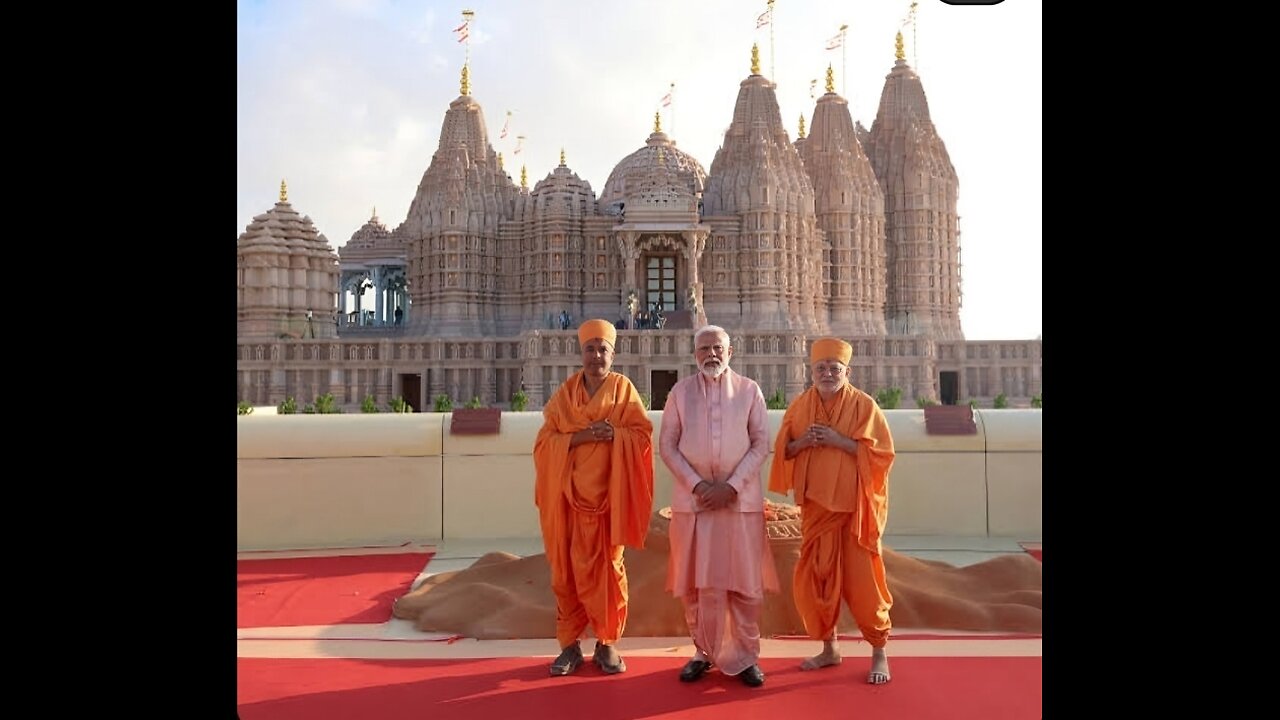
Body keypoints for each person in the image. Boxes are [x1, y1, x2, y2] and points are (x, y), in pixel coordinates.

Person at [767, 337, 897, 684]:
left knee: (864, 582)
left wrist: (839, 441)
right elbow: (784, 450)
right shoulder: (800, 406)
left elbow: (882, 455)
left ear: (847, 371)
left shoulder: (864, 407)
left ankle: (879, 651)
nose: (827, 373)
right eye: (820, 368)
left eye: (833, 368)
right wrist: (804, 442)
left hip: (853, 512)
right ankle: (829, 648)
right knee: (820, 580)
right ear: (811, 372)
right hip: (816, 510)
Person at [533, 319, 655, 676]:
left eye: (603, 349)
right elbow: (544, 444)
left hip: (608, 502)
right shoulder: (566, 395)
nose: (596, 356)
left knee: (609, 572)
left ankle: (606, 643)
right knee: (565, 573)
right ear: (581, 353)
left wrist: (616, 434)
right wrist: (584, 437)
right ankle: (569, 646)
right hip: (568, 502)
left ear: (613, 355)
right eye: (590, 349)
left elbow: (642, 436)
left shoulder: (623, 390)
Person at [659, 325, 777, 687]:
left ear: (731, 351)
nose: (711, 354)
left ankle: (746, 655)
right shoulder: (679, 393)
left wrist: (731, 486)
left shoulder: (749, 391)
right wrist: (698, 486)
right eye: (704, 349)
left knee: (743, 583)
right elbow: (668, 446)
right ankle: (703, 652)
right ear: (695, 355)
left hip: (738, 504)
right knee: (696, 584)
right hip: (694, 505)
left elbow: (760, 444)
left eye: (718, 348)